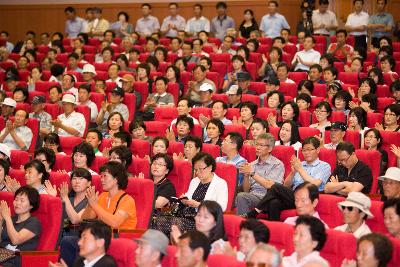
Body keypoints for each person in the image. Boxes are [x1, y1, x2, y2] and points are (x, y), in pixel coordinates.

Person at [59, 161, 137, 266]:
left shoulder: (127, 200)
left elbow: (115, 222)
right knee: (67, 241)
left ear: (116, 179)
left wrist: (94, 205)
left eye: (105, 176)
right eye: (101, 176)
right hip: (101, 236)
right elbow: (85, 218)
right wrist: (90, 205)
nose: (101, 179)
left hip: (118, 238)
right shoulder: (103, 196)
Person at [244, 137, 331, 220]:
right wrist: (293, 173)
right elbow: (286, 185)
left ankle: (254, 212)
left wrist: (300, 170)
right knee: (273, 202)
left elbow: (315, 184)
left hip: (307, 197)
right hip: (293, 195)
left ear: (318, 150)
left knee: (275, 186)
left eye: (309, 149)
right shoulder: (300, 164)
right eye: (304, 150)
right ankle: (274, 230)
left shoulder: (324, 166)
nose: (306, 152)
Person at [237, 133, 284, 215]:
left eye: (261, 145)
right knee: (241, 195)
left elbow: (270, 186)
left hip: (268, 199)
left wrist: (252, 173)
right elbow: (246, 190)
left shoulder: (277, 164)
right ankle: (243, 224)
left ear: (270, 148)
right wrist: (246, 176)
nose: (257, 148)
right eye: (257, 144)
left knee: (242, 196)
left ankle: (245, 222)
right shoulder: (252, 164)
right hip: (253, 196)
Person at [0, 186, 41, 267]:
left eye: (22, 200)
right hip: (3, 253)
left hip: (16, 259)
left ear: (31, 205)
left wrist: (7, 219)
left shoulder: (34, 222)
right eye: (16, 199)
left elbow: (15, 240)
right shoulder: (12, 218)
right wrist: (1, 221)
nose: (17, 203)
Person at [51, 220, 117, 267]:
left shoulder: (107, 265)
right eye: (80, 238)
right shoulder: (80, 261)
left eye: (85, 238)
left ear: (100, 242)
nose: (79, 242)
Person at [57, 168, 91, 238]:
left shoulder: (91, 201)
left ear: (89, 183)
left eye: (81, 179)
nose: (77, 182)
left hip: (80, 236)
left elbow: (75, 220)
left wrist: (65, 198)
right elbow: (60, 220)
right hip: (62, 234)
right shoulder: (68, 199)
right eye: (74, 178)